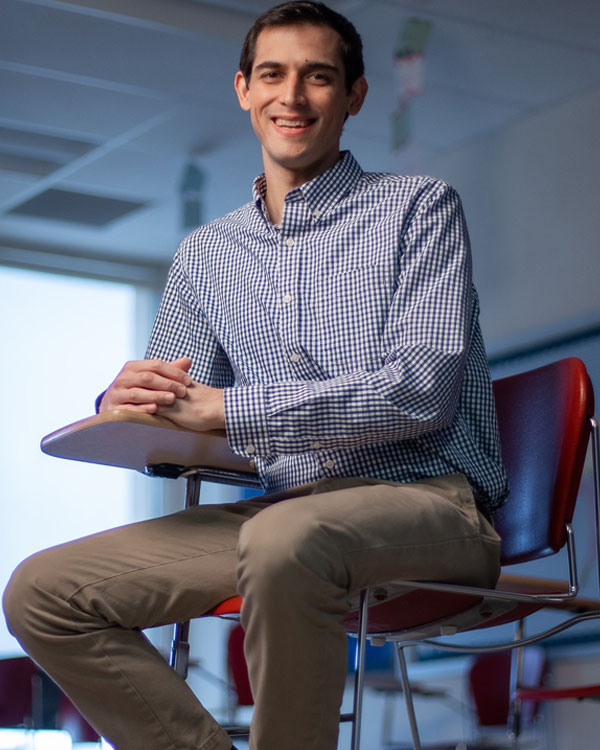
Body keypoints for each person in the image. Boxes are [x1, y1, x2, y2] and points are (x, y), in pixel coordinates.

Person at [3, 2, 508, 750]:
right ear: (244, 88)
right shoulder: (206, 255)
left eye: (318, 77)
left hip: (429, 501)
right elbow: (181, 410)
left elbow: (418, 391)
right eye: (272, 74)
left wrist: (229, 411)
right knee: (42, 593)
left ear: (355, 96)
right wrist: (127, 402)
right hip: (286, 510)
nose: (292, 97)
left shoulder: (418, 208)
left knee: (284, 541)